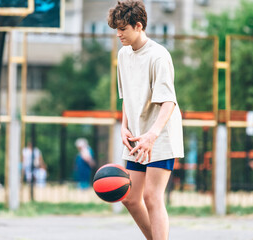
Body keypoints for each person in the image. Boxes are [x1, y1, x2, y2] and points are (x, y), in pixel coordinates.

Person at [108, 1, 184, 239]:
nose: (119, 34)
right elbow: (127, 97)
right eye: (116, 29)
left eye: (123, 29)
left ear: (138, 26)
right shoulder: (123, 55)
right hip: (136, 134)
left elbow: (169, 102)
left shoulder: (158, 56)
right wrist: (124, 127)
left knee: (152, 197)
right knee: (130, 198)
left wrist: (152, 135)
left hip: (160, 134)